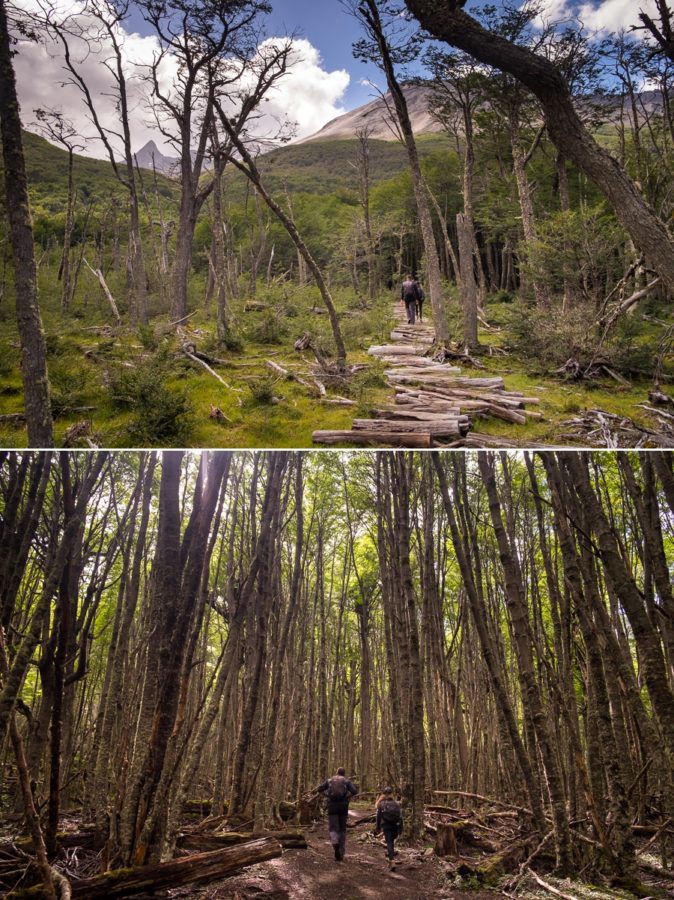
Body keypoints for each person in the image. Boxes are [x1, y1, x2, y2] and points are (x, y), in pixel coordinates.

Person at [315, 767, 358, 862]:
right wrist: (347, 797)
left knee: (333, 828)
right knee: (342, 829)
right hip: (343, 806)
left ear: (336, 773)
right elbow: (355, 791)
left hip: (332, 806)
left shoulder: (329, 780)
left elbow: (319, 789)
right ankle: (341, 852)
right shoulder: (347, 781)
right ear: (344, 774)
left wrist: (326, 796)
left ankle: (335, 842)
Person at [374, 786, 403, 870]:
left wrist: (378, 827)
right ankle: (391, 857)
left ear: (384, 794)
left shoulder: (381, 804)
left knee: (389, 842)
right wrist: (400, 829)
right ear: (392, 794)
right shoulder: (396, 804)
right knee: (391, 842)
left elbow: (378, 816)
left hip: (386, 825)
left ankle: (392, 861)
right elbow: (400, 817)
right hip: (395, 826)